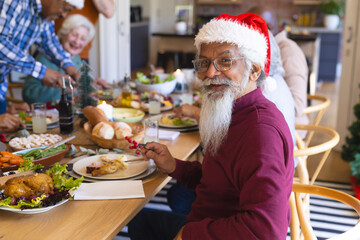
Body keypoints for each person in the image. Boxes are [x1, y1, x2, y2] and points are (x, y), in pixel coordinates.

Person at [128, 13, 294, 239]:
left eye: (225, 61)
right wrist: (174, 166)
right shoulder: (232, 113)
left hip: (212, 231)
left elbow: (266, 231)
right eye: (204, 63)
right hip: (210, 223)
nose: (210, 72)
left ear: (254, 70)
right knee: (138, 219)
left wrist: (188, 233)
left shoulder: (260, 131)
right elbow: (218, 179)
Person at [0, 0, 84, 131]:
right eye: (65, 8)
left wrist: (70, 67)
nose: (63, 15)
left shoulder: (45, 17)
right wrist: (42, 72)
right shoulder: (15, 2)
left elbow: (50, 43)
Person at [22, 14, 107, 104]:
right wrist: (64, 90)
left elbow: (78, 90)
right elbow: (28, 94)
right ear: (63, 34)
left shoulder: (77, 59)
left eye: (82, 38)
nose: (77, 41)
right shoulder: (45, 58)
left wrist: (92, 85)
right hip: (49, 114)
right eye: (74, 35)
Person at [249, 6, 309, 129]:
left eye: (264, 27)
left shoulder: (288, 51)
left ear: (274, 28)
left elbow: (297, 104)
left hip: (291, 128)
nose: (255, 31)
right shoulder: (257, 51)